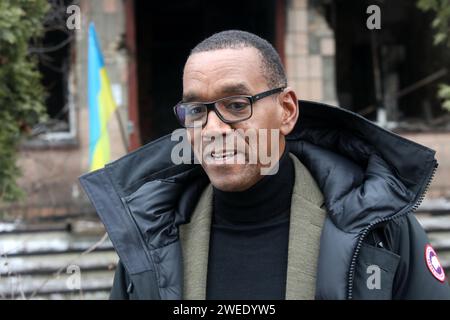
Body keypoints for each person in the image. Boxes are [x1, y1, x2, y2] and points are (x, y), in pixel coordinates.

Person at [80, 30, 450, 299]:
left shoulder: (378, 224)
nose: (212, 129)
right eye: (196, 111)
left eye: (237, 105)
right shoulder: (150, 235)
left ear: (287, 110)